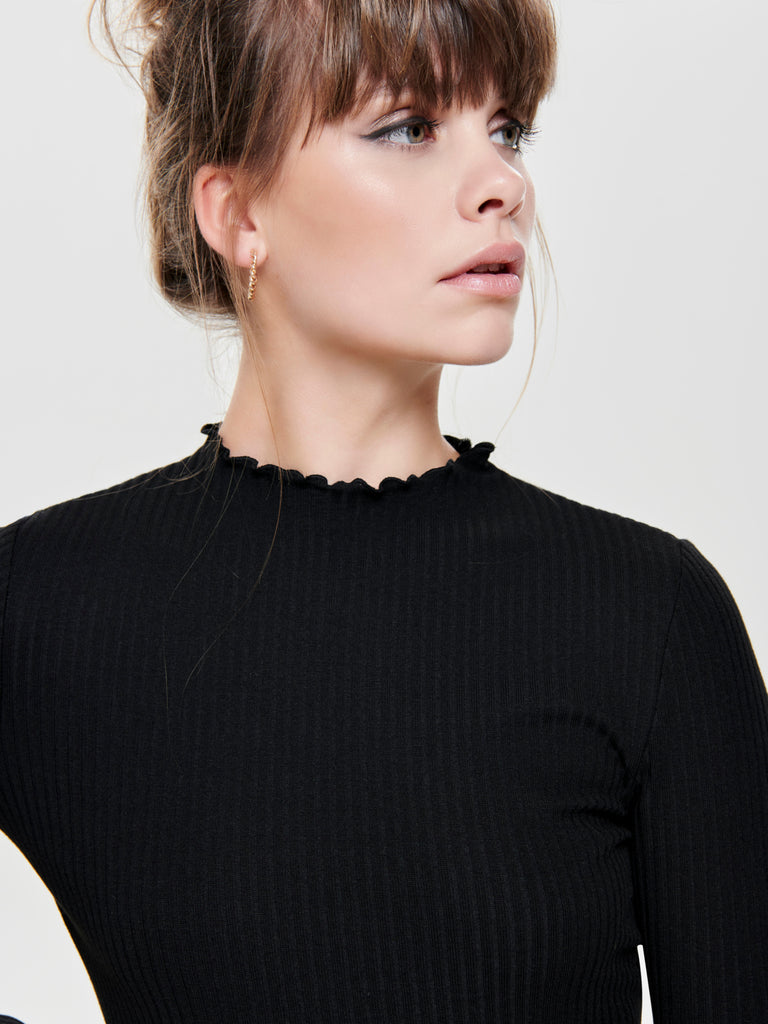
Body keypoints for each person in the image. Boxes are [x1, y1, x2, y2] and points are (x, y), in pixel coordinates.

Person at [1, 0, 766, 1021]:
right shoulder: (39, 605)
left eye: (508, 129)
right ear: (237, 213)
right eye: (408, 127)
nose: (504, 185)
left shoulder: (651, 616)